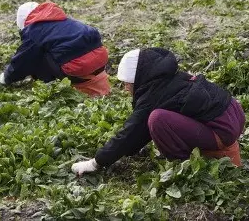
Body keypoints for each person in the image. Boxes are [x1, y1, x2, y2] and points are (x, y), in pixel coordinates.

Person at [72, 47, 245, 175]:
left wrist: (96, 162)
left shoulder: (153, 95)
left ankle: (189, 166)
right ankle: (218, 149)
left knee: (157, 119)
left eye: (127, 84)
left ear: (139, 79)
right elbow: (139, 132)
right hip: (234, 114)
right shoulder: (172, 79)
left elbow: (131, 132)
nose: (125, 89)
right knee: (155, 119)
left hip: (222, 130)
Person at [0, 1, 110, 97]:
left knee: (36, 56)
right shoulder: (62, 21)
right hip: (101, 60)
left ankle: (49, 87)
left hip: (79, 67)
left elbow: (22, 61)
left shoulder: (34, 31)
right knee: (47, 50)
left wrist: (6, 78)